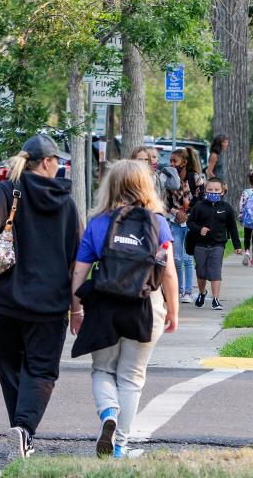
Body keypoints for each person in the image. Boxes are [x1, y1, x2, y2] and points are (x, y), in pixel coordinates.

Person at [0, 134, 80, 459]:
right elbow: (77, 259)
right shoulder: (67, 203)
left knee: (10, 369)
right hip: (49, 306)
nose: (60, 165)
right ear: (47, 162)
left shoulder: (5, 191)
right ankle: (23, 431)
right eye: (58, 160)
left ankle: (20, 436)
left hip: (3, 303)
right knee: (42, 371)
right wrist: (77, 307)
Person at [69, 159, 179, 459]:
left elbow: (80, 272)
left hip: (105, 304)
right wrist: (173, 309)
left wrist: (75, 310)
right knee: (132, 376)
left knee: (103, 369)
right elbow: (168, 272)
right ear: (145, 185)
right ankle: (119, 446)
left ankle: (108, 412)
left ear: (111, 185)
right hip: (146, 305)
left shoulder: (99, 223)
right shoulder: (157, 222)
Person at [186, 178, 242, 310]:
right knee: (201, 271)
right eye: (210, 190)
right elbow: (190, 222)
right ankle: (201, 293)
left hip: (218, 244)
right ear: (205, 190)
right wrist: (200, 229)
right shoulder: (199, 206)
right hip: (200, 244)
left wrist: (237, 245)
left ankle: (215, 299)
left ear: (222, 191)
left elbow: (232, 228)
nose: (213, 192)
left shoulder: (226, 208)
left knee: (215, 271)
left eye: (216, 190)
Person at [166, 147, 204, 303]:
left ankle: (188, 291)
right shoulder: (167, 178)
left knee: (188, 258)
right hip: (174, 222)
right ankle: (178, 290)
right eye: (170, 161)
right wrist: (176, 213)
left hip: (190, 222)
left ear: (185, 162)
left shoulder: (195, 178)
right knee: (176, 258)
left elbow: (201, 200)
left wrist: (187, 215)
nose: (172, 164)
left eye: (175, 161)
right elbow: (164, 201)